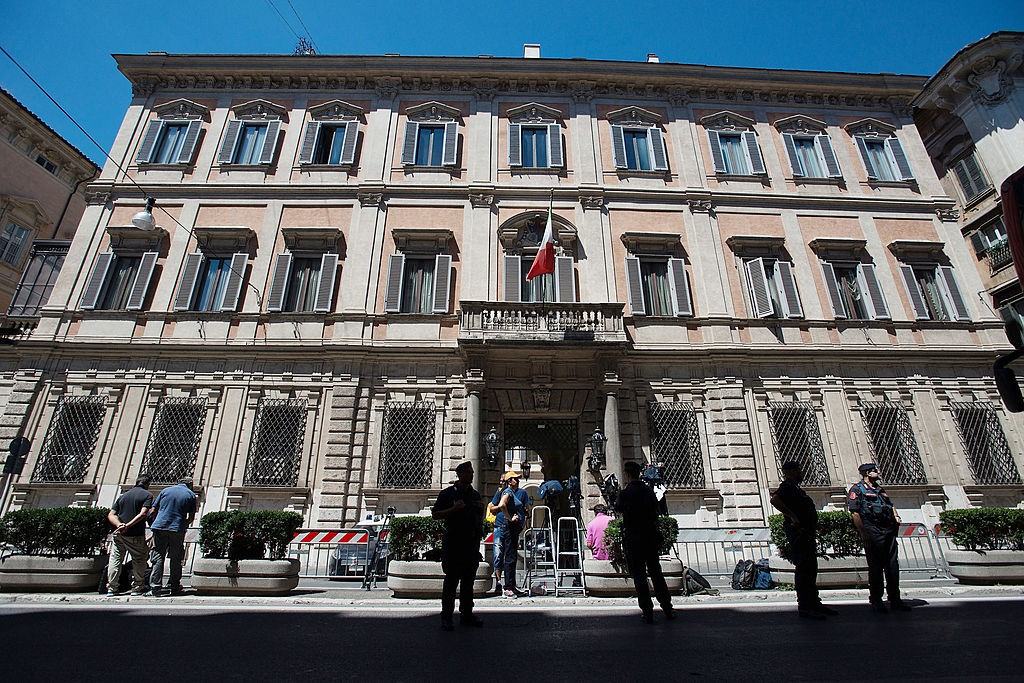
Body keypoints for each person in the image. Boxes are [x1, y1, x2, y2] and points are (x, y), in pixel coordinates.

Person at [770, 461, 838, 619]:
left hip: (806, 533)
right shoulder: (787, 486)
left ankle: (814, 602)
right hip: (799, 534)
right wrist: (792, 516)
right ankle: (805, 606)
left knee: (810, 569)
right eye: (798, 470)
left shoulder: (796, 488)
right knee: (804, 570)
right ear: (790, 472)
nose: (801, 472)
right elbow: (775, 500)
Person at [614, 461, 674, 623]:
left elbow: (618, 509)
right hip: (650, 536)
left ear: (627, 474)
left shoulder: (626, 493)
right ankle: (667, 607)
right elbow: (657, 510)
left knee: (640, 576)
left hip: (634, 539)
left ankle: (647, 611)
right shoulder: (648, 491)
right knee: (656, 573)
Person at [849, 463, 911, 613]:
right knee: (876, 567)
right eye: (874, 471)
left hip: (888, 531)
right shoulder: (857, 489)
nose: (877, 472)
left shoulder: (879, 489)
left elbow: (890, 505)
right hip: (873, 532)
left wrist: (896, 516)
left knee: (892, 566)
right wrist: (863, 534)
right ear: (867, 473)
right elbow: (855, 513)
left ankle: (895, 599)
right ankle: (876, 599)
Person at [431, 461, 485, 631]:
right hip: (454, 543)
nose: (472, 475)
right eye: (469, 472)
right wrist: (453, 509)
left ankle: (466, 614)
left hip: (470, 544)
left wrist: (480, 509)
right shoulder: (447, 494)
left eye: (472, 472)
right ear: (460, 474)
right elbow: (435, 514)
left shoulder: (474, 494)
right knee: (451, 581)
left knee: (468, 581)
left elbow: (478, 518)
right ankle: (446, 617)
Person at [106, 474, 154, 596]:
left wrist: (119, 525)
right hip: (135, 534)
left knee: (115, 559)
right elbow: (143, 513)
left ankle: (112, 587)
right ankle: (137, 586)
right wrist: (127, 525)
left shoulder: (123, 496)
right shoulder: (147, 495)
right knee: (139, 559)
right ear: (147, 484)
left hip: (119, 533)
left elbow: (111, 514)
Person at [149, 477, 197, 597]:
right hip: (177, 528)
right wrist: (184, 524)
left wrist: (154, 523)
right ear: (190, 484)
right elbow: (191, 517)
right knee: (176, 558)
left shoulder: (166, 491)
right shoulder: (190, 495)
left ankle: (155, 586)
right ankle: (174, 586)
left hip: (160, 526)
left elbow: (153, 510)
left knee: (158, 556)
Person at [496, 469, 531, 599]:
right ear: (509, 481)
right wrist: (510, 518)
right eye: (515, 478)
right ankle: (508, 588)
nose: (517, 480)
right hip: (509, 527)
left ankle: (512, 586)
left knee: (512, 557)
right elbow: (502, 505)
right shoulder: (508, 491)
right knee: (510, 557)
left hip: (513, 528)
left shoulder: (511, 491)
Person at [487, 473, 508, 595]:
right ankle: (499, 582)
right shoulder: (499, 492)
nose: (501, 483)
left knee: (509, 556)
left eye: (503, 481)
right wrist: (501, 506)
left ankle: (510, 584)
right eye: (500, 480)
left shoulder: (516, 493)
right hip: (499, 526)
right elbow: (492, 508)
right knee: (498, 555)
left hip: (510, 528)